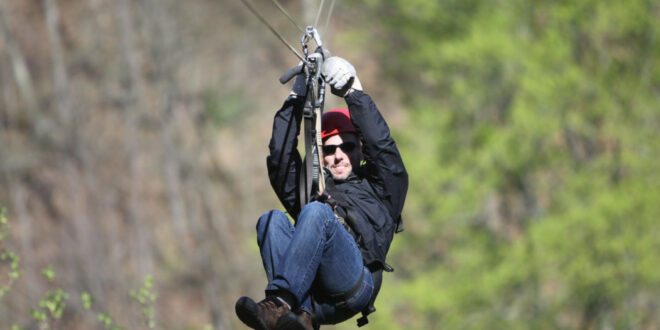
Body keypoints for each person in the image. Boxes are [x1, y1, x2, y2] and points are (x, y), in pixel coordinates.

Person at [235, 56, 408, 330]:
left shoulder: (381, 189)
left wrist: (353, 92)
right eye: (329, 149)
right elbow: (280, 158)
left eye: (348, 147)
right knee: (271, 220)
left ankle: (280, 304)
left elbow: (384, 150)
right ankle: (295, 318)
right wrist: (296, 96)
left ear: (360, 149)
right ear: (321, 155)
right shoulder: (312, 187)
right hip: (313, 294)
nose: (339, 156)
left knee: (316, 211)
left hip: (354, 281)